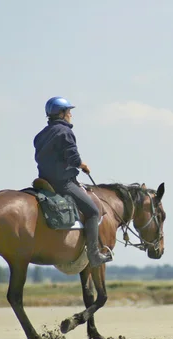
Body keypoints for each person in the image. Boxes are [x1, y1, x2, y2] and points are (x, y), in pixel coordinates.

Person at [33, 96, 112, 265]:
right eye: (68, 111)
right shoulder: (65, 132)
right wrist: (82, 165)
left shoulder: (40, 135)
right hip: (62, 183)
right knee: (93, 211)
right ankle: (94, 255)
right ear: (61, 113)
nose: (70, 114)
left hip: (43, 181)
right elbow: (73, 157)